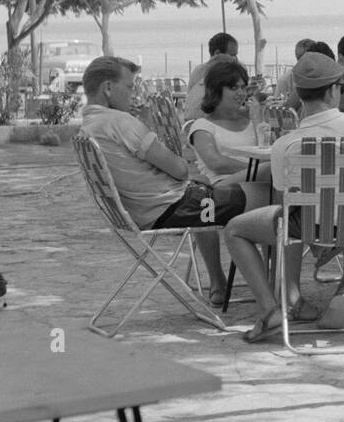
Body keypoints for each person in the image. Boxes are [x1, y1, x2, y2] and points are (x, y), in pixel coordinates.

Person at [224, 53, 344, 342]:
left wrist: (316, 238)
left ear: (299, 96)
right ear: (332, 91)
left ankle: (271, 309)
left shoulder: (284, 145)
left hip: (307, 227)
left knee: (235, 230)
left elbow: (283, 203)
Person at [80, 56, 244, 306]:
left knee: (213, 191)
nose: (133, 94)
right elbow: (180, 170)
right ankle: (272, 290)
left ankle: (220, 282)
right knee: (249, 196)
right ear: (108, 88)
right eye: (130, 86)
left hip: (144, 211)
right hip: (173, 208)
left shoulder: (89, 126)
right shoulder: (121, 123)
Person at [187, 57, 271, 205]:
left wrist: (257, 120)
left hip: (256, 182)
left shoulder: (252, 123)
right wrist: (258, 171)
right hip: (223, 189)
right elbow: (216, 163)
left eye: (243, 87)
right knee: (273, 174)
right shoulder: (202, 126)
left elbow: (265, 153)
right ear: (216, 90)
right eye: (233, 88)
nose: (240, 93)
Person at [185, 32, 241, 121]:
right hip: (205, 126)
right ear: (217, 53)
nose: (236, 60)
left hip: (190, 124)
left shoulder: (198, 70)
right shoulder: (219, 74)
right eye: (232, 55)